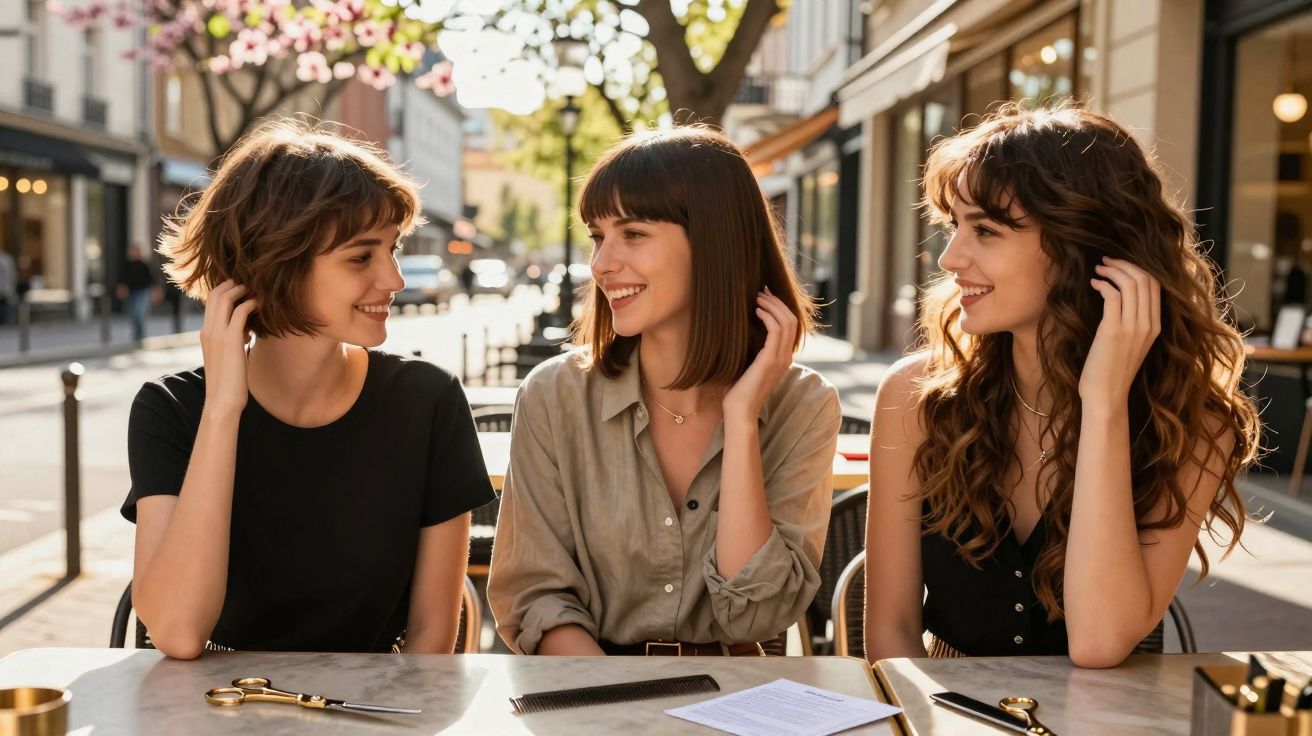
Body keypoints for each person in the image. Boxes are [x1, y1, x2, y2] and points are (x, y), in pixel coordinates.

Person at [864, 103, 1260, 668]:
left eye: (987, 230)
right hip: (944, 709)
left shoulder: (1192, 425)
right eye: (954, 226)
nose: (950, 258)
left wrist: (1103, 405)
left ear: (1082, 246)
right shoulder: (915, 397)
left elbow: (1099, 643)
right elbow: (890, 636)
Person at [124, 118, 495, 659]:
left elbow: (431, 644)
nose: (393, 279)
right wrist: (225, 407)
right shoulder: (172, 410)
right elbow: (178, 633)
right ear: (279, 265)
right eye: (360, 256)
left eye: (392, 249)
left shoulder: (427, 402)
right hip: (221, 712)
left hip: (376, 713)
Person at [487, 127, 841, 657]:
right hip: (587, 694)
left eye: (632, 234)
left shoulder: (802, 405)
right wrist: (618, 709)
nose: (602, 263)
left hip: (736, 700)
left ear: (714, 243)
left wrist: (741, 419)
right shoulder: (555, 395)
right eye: (597, 236)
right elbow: (534, 595)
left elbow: (758, 615)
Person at [117, 245, 156, 341]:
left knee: (139, 312)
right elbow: (122, 279)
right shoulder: (127, 265)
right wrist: (121, 289)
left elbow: (150, 280)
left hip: (142, 293)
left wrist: (154, 290)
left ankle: (140, 334)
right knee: (134, 314)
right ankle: (136, 334)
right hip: (131, 293)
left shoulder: (144, 265)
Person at [0, 246, 15, 325]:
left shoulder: (6, 259)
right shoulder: (6, 259)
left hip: (4, 290)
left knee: (4, 308)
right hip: (5, 289)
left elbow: (10, 275)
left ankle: (4, 322)